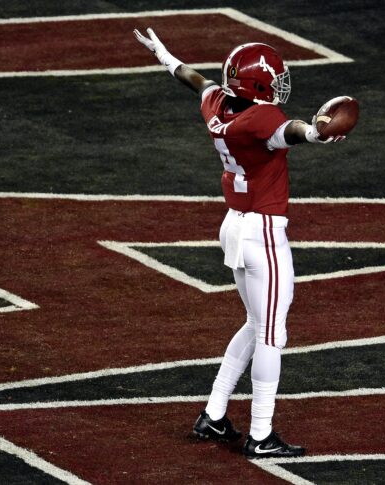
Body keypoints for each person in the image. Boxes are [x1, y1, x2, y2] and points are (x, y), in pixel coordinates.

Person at [134, 28, 346, 458]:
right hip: (263, 232)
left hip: (234, 224)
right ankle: (261, 433)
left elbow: (198, 80)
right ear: (257, 85)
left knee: (256, 323)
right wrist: (320, 134)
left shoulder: (218, 105)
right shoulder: (261, 119)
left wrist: (167, 58)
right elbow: (294, 131)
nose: (280, 83)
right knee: (272, 333)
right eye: (274, 78)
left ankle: (213, 415)